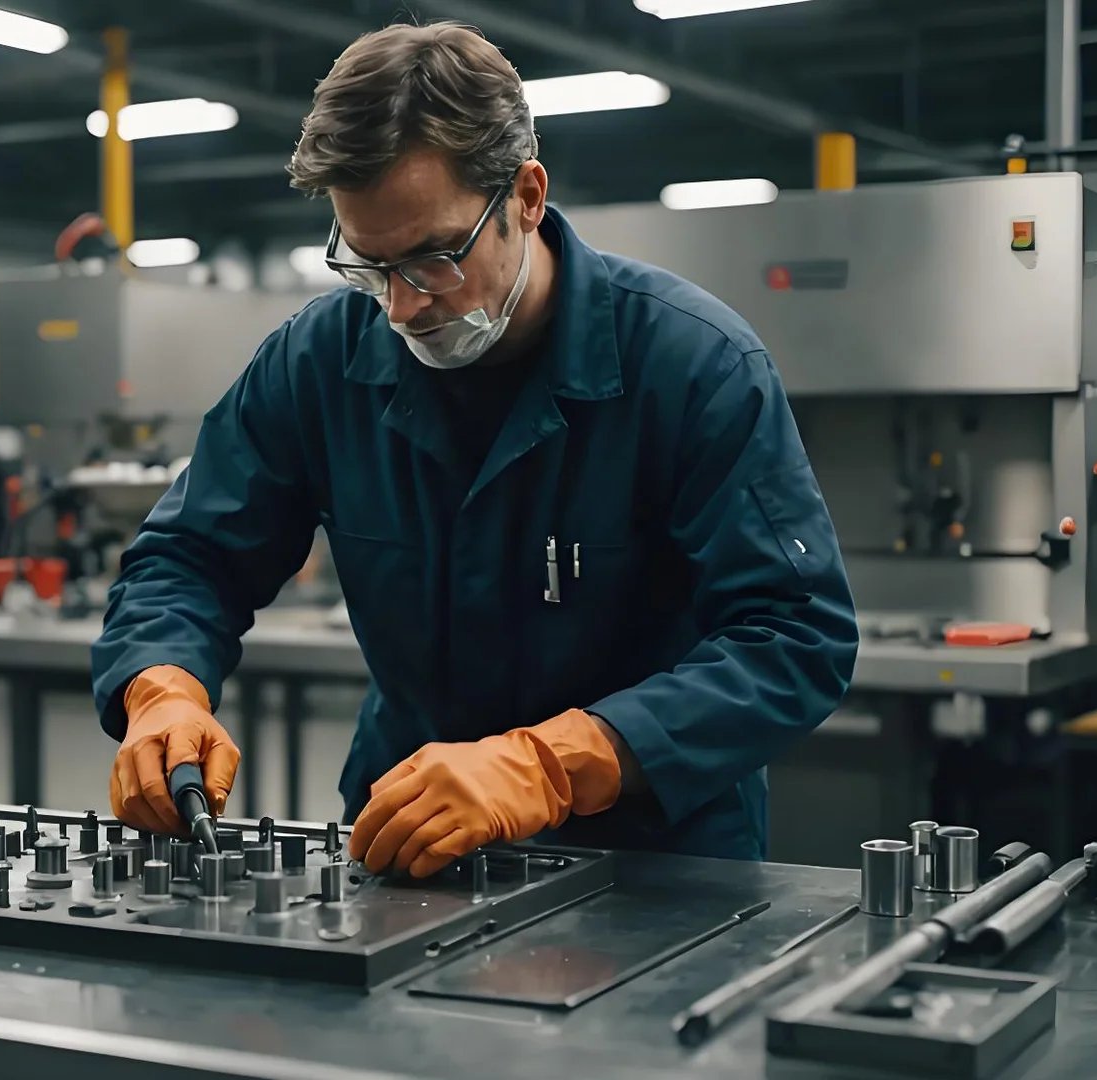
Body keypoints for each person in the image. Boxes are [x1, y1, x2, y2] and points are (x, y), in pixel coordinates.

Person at [92, 22, 857, 877]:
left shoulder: (693, 366)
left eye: (433, 258)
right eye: (368, 265)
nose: (401, 309)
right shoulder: (320, 360)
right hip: (407, 843)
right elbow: (192, 554)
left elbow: (794, 636)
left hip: (653, 864)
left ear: (526, 197)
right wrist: (161, 688)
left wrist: (552, 766)